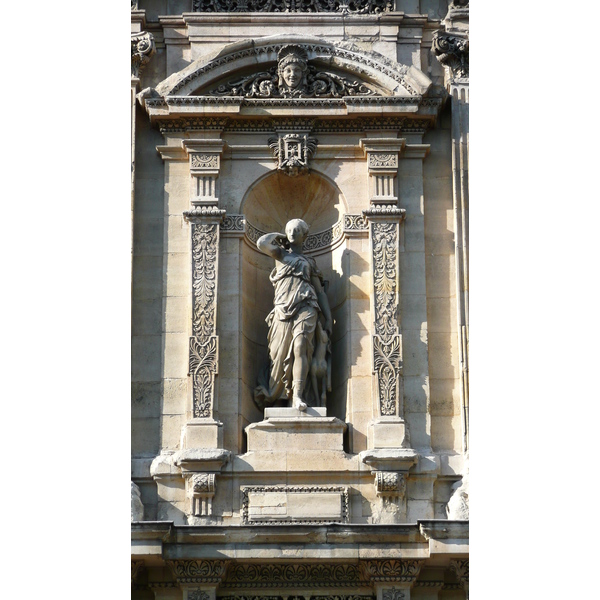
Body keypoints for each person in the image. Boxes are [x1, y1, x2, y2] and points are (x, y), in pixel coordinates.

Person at [254, 219, 332, 411]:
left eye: (296, 230)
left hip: (307, 304)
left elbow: (320, 292)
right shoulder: (280, 254)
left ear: (304, 235)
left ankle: (297, 396)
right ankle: (280, 396)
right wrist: (280, 237)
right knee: (278, 356)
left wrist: (329, 318)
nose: (292, 233)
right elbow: (262, 243)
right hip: (282, 308)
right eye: (289, 230)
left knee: (301, 346)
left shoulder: (309, 262)